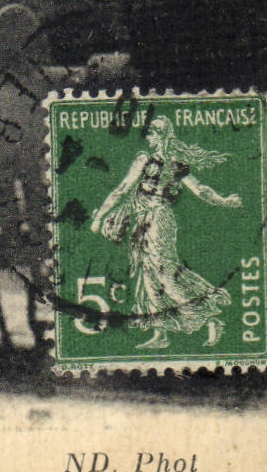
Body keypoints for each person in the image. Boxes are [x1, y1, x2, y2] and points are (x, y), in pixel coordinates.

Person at [90, 115, 243, 349]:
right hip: (141, 222)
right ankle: (161, 334)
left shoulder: (174, 164)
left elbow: (200, 189)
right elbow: (122, 190)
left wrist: (224, 201)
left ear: (162, 136)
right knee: (147, 277)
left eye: (152, 133)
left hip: (160, 221)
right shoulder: (145, 159)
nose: (148, 137)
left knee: (165, 275)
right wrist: (101, 215)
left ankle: (210, 317)